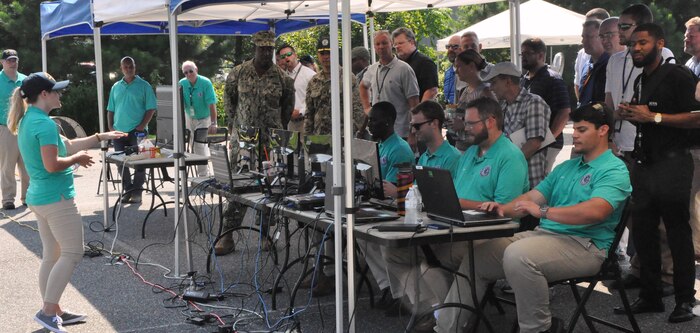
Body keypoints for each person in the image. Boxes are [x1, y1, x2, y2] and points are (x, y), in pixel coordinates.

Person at [437, 102, 632, 333]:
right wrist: (501, 208)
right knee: (478, 256)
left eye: (582, 130)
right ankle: (445, 329)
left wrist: (543, 212)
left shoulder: (614, 169)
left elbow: (595, 211)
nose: (575, 136)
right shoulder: (567, 167)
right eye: (575, 129)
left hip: (586, 246)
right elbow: (532, 197)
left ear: (603, 130)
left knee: (519, 256)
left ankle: (539, 329)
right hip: (547, 237)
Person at [381, 98, 527, 330]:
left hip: (488, 232)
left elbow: (504, 211)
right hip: (455, 223)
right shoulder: (470, 154)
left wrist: (457, 203)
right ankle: (433, 307)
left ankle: (447, 319)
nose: (463, 128)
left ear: (490, 122)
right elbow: (453, 194)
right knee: (395, 251)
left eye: (470, 123)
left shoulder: (509, 157)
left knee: (437, 259)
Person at [7, 72, 126, 333]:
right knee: (72, 252)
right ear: (44, 95)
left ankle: (55, 310)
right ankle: (48, 312)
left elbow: (67, 145)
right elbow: (53, 164)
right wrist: (78, 159)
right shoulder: (44, 124)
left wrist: (99, 137)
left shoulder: (31, 120)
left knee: (52, 255)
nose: (60, 94)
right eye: (56, 90)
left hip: (40, 198)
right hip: (56, 199)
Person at [617, 23, 700, 323]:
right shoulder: (642, 78)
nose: (635, 48)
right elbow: (648, 119)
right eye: (631, 44)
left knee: (677, 234)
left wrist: (654, 116)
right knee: (644, 232)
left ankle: (684, 301)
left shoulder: (677, 74)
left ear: (659, 43)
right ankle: (650, 296)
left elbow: (696, 118)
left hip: (674, 165)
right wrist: (632, 114)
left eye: (642, 43)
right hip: (645, 164)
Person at [604, 3, 676, 294]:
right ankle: (640, 266)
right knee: (635, 211)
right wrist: (608, 131)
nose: (620, 32)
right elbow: (609, 101)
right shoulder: (615, 61)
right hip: (621, 143)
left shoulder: (664, 56)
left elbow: (663, 104)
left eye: (625, 27)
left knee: (659, 213)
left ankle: (668, 275)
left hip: (651, 144)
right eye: (620, 27)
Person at [217, 31, 295, 255]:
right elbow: (229, 102)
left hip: (270, 143)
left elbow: (287, 109)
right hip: (244, 140)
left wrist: (277, 131)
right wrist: (235, 130)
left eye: (269, 49)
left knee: (270, 189)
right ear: (255, 48)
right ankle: (228, 235)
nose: (266, 52)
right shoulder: (238, 73)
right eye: (262, 48)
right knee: (238, 187)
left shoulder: (282, 78)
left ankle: (264, 235)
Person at [482, 62, 550, 188]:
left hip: (530, 180)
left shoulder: (534, 102)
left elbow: (534, 143)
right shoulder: (503, 106)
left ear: (508, 81)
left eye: (494, 82)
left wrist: (506, 166)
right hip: (508, 178)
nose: (491, 88)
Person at [382, 101, 461, 198]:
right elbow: (417, 193)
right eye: (412, 126)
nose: (414, 131)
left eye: (417, 126)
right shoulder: (424, 157)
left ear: (434, 123)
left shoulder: (452, 157)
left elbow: (443, 198)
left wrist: (398, 194)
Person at [107, 56, 157, 204]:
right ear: (121, 68)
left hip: (138, 131)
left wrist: (142, 125)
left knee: (140, 162)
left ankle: (137, 191)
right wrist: (110, 127)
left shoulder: (144, 85)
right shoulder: (116, 86)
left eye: (131, 66)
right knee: (120, 162)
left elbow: (151, 108)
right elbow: (110, 108)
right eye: (126, 67)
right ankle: (128, 189)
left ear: (135, 67)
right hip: (119, 131)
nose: (128, 69)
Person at [521, 38, 571, 172]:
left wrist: (547, 139)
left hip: (547, 144)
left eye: (527, 53)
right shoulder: (523, 80)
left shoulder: (552, 79)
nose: (523, 57)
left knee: (540, 184)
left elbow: (564, 112)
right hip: (527, 141)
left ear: (541, 55)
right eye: (522, 54)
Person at [359, 30, 420, 141]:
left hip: (400, 132)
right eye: (377, 44)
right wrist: (367, 108)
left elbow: (414, 104)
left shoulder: (404, 69)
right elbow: (363, 86)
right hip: (378, 133)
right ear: (374, 47)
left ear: (392, 44)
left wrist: (413, 133)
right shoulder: (372, 69)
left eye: (384, 43)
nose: (381, 47)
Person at [304, 36, 364, 136]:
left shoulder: (347, 78)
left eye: (329, 52)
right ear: (318, 55)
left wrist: (349, 134)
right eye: (322, 53)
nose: (325, 56)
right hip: (319, 138)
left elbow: (358, 111)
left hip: (342, 138)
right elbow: (309, 113)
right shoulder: (314, 81)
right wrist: (307, 138)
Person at [450, 49, 496, 151]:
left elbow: (493, 123)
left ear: (471, 66)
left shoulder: (485, 92)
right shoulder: (465, 90)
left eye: (459, 66)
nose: (456, 71)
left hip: (476, 152)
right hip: (463, 149)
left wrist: (464, 125)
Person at [0, 49, 29, 210]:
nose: (12, 63)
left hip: (24, 127)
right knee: (7, 166)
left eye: (15, 60)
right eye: (9, 60)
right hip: (5, 128)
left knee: (27, 164)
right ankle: (8, 199)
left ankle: (27, 197)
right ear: (2, 62)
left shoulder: (25, 80)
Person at [179, 60, 218, 177]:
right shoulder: (181, 83)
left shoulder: (205, 82)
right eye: (185, 73)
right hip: (189, 117)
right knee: (194, 145)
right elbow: (180, 104)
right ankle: (205, 170)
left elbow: (212, 104)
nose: (188, 74)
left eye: (191, 71)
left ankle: (203, 176)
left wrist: (213, 123)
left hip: (204, 118)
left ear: (196, 70)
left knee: (198, 144)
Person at [683, 17, 700, 262]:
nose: (685, 38)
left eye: (692, 35)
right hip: (692, 142)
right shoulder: (689, 63)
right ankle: (695, 248)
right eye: (686, 34)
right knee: (690, 197)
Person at [392, 27, 438, 102]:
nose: (397, 47)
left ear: (412, 42)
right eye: (395, 44)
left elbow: (432, 90)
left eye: (400, 43)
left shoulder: (425, 63)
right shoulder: (396, 64)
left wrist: (419, 111)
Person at [278, 44, 315, 134]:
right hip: (289, 123)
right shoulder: (283, 76)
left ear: (295, 55)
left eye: (289, 54)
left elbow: (316, 100)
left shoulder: (309, 74)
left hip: (305, 122)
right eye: (283, 56)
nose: (286, 58)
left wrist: (301, 111)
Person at [574, 8, 610, 99]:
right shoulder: (587, 65)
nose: (583, 41)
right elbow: (579, 90)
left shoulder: (611, 64)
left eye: (589, 37)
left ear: (602, 37)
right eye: (583, 36)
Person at [443, 35, 465, 105]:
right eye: (448, 46)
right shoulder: (447, 73)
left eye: (455, 47)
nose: (450, 49)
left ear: (463, 49)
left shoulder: (468, 73)